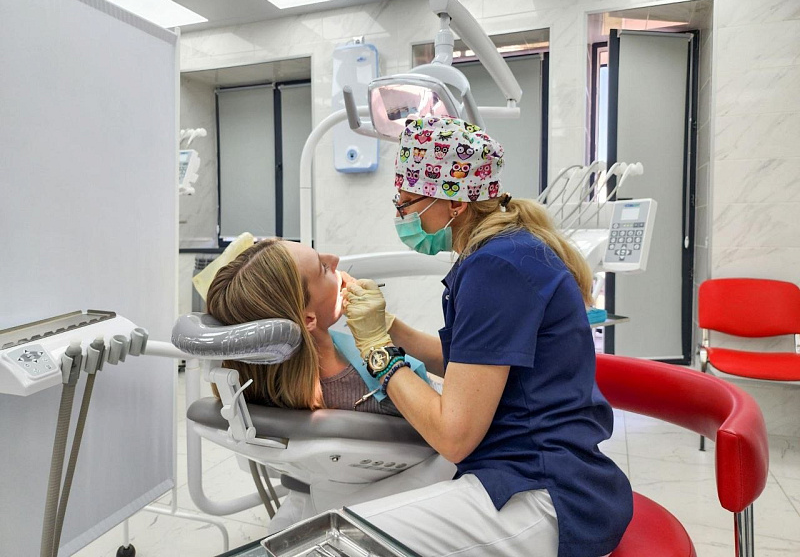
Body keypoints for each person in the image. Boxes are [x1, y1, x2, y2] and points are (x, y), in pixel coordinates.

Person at [344, 116, 633, 557]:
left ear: (454, 204)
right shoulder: (507, 250)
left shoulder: (495, 267)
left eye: (406, 203)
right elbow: (472, 364)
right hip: (527, 467)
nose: (400, 215)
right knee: (353, 510)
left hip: (547, 493)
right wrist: (387, 326)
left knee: (348, 538)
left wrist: (377, 351)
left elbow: (453, 436)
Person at [205, 237, 431, 415]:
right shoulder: (378, 395)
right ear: (307, 320)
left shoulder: (268, 391)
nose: (334, 259)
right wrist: (378, 342)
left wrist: (385, 325)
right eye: (323, 268)